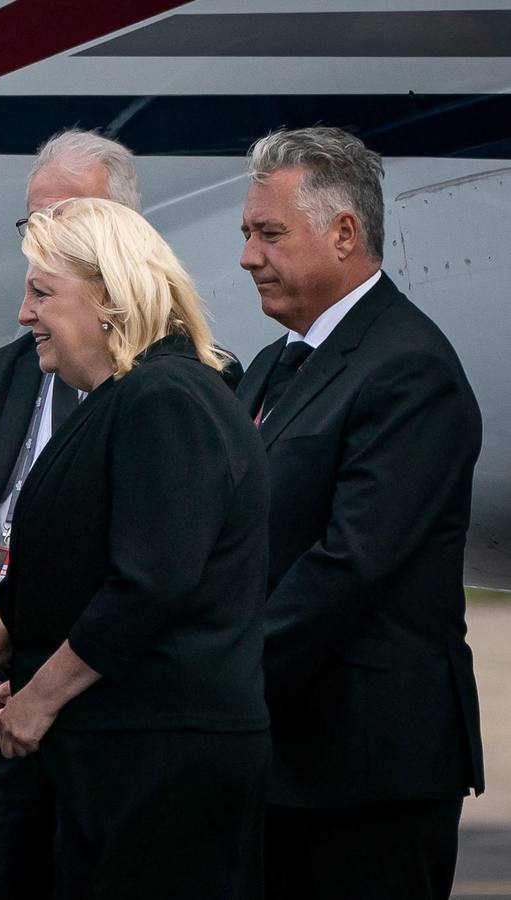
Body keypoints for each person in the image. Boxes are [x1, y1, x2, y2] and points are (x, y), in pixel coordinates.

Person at [0, 197, 272, 898]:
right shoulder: (124, 399)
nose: (24, 313)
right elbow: (76, 571)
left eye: (42, 292)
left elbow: (148, 584)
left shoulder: (164, 400)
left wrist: (38, 700)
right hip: (122, 760)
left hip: (161, 766)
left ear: (108, 297)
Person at [236, 126, 484, 899]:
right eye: (246, 234)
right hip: (284, 759)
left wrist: (218, 678)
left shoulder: (407, 368)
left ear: (344, 233)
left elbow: (348, 565)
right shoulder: (272, 364)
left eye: (268, 233)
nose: (247, 257)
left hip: (368, 771)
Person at [0, 128, 143, 900]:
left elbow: (155, 568)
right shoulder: (4, 373)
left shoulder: (176, 381)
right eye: (33, 221)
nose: (42, 237)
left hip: (113, 711)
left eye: (66, 217)